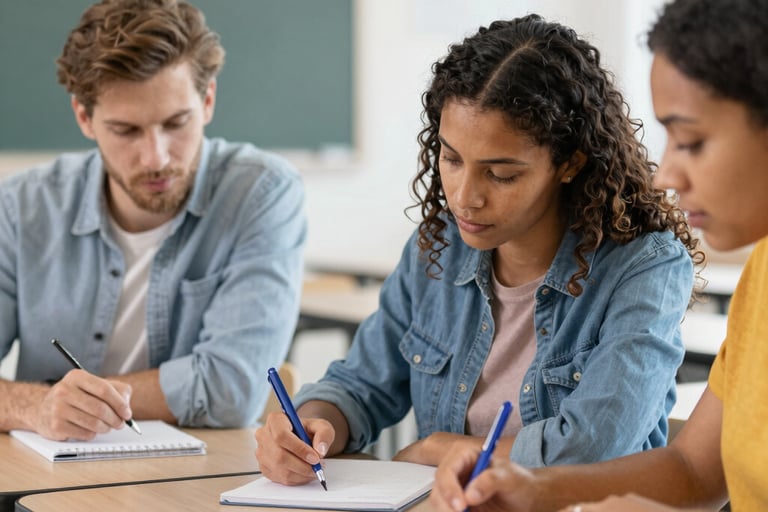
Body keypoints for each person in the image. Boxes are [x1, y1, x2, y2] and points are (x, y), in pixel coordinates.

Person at [255, 14, 702, 486]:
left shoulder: (645, 266)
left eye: (501, 174)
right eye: (451, 158)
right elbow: (361, 383)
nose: (465, 196)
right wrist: (312, 425)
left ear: (569, 163)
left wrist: (443, 449)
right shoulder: (439, 246)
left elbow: (595, 445)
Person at [429, 0, 768, 510]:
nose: (666, 175)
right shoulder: (762, 274)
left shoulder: (644, 264)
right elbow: (693, 469)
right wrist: (532, 487)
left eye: (692, 141)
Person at [0, 0, 306, 441]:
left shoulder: (261, 194)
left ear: (207, 100)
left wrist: (84, 404)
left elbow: (232, 389)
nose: (157, 157)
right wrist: (39, 406)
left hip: (193, 487)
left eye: (176, 123)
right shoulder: (22, 208)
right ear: (84, 117)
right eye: (126, 131)